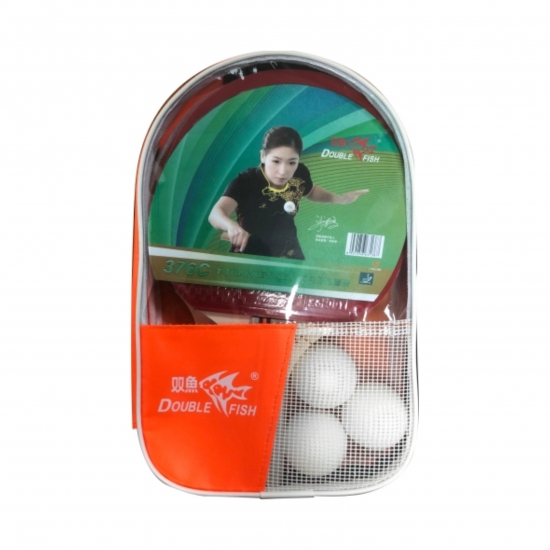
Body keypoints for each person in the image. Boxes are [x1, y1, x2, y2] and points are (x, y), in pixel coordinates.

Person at [208, 126, 368, 260]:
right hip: (250, 254)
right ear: (263, 156)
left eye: (292, 162)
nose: (283, 171)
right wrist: (231, 226)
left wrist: (339, 199)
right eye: (276, 161)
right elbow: (216, 214)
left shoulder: (300, 173)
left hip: (290, 252)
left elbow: (311, 191)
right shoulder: (246, 181)